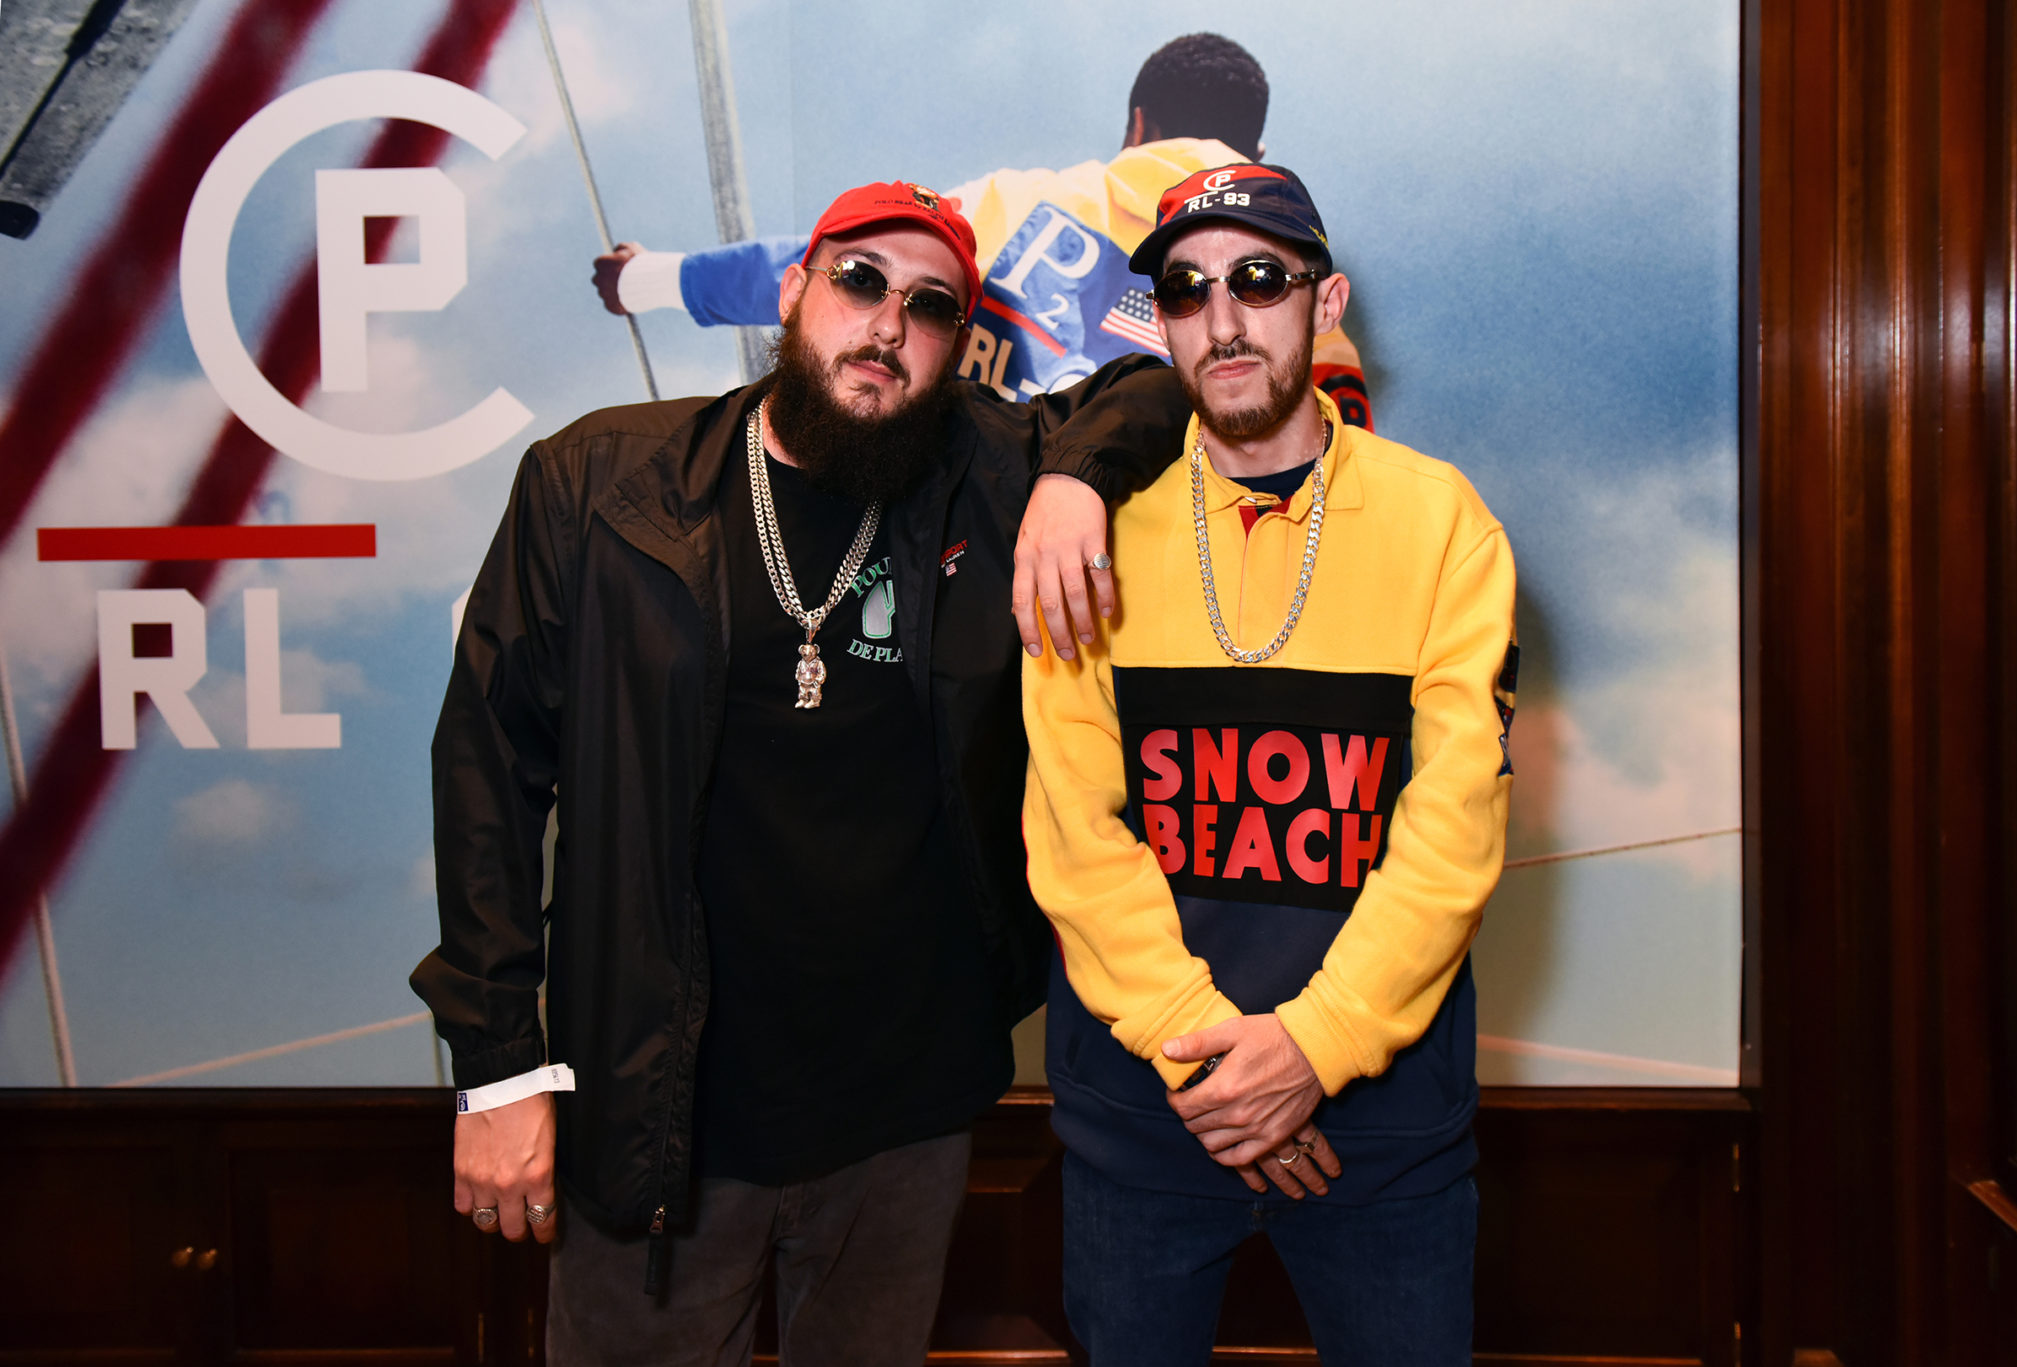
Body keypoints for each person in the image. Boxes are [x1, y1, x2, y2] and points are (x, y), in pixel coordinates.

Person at [410, 180, 1187, 1366]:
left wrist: (1075, 475)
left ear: (956, 343)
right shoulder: (599, 485)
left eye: (930, 306)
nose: (887, 324)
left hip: (902, 1120)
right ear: (791, 291)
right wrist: (498, 1067)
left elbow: (1159, 382)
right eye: (858, 280)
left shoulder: (987, 469)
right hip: (660, 1114)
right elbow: (485, 782)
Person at [1020, 164, 1519, 1365]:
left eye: (1256, 278)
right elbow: (1072, 829)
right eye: (1185, 291)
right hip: (1146, 1123)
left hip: (1376, 1136)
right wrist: (1215, 1064)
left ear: (1323, 302)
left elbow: (1452, 827)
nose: (1222, 318)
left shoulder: (1441, 522)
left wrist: (1311, 1046)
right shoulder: (1089, 528)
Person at [592, 33, 1375, 429]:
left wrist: (647, 279)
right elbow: (1345, 451)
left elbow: (824, 272)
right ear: (1254, 155)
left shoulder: (1010, 202)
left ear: (1138, 124)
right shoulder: (1295, 282)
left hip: (974, 589)